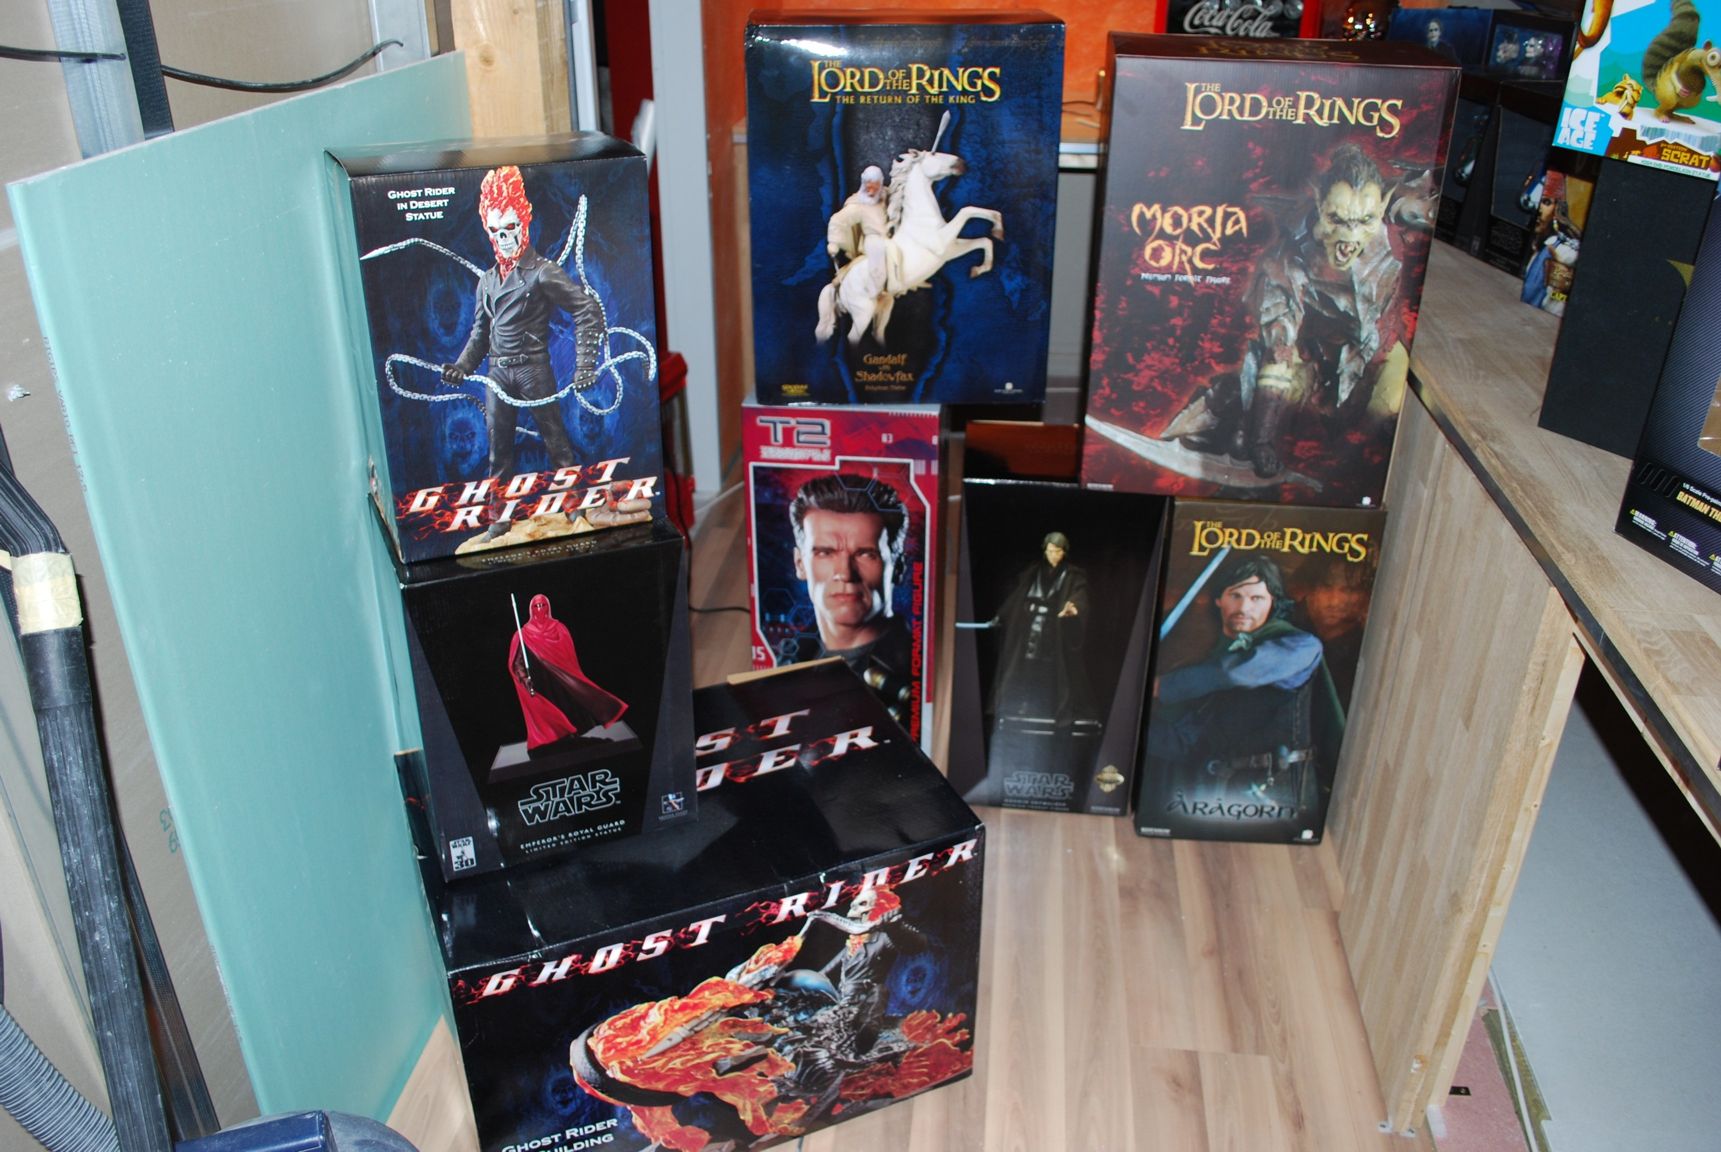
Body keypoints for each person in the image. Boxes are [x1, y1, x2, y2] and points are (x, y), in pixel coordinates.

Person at [1166, 144, 1412, 479]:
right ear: (1320, 203)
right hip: (1306, 342)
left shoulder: (1390, 250)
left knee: (1388, 388)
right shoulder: (1294, 250)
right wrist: (1261, 440)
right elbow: (1280, 325)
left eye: (1365, 220)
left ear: (1381, 206)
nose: (1350, 237)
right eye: (1337, 219)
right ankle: (1228, 420)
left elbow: (1381, 329)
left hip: (1359, 350)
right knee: (1273, 361)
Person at [441, 166, 606, 525]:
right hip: (497, 373)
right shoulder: (487, 281)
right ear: (487, 231)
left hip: (533, 369)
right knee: (498, 454)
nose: (504, 238)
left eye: (511, 228)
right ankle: (499, 521)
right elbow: (480, 334)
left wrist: (584, 365)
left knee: (557, 445)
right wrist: (461, 367)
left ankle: (575, 511)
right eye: (496, 231)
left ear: (524, 222)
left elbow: (585, 308)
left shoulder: (542, 271)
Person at [1147, 555, 1341, 809]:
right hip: (1217, 792)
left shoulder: (1300, 646)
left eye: (1256, 598)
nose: (1244, 607)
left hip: (1279, 795)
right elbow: (1187, 740)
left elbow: (1233, 672)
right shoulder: (1214, 657)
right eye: (1235, 595)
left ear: (1273, 602)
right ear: (1219, 599)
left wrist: (1160, 686)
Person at [784, 474, 914, 723]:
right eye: (825, 553)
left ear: (897, 567)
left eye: (866, 554)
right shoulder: (791, 654)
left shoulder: (908, 674)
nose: (845, 573)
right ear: (800, 564)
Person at [987, 531, 1096, 726]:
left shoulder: (1073, 575)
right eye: (1050, 551)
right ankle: (1023, 703)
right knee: (1026, 666)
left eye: (1058, 551)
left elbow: (1079, 596)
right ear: (1045, 551)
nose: (1054, 555)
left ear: (1064, 552)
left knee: (1053, 669)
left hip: (1055, 630)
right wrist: (1001, 615)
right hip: (1032, 628)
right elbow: (1017, 597)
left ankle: (1053, 706)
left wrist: (1073, 608)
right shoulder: (1033, 572)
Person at [509, 593, 626, 751]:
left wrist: (565, 671)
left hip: (562, 679)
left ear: (548, 607)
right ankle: (557, 736)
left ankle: (572, 733)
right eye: (536, 606)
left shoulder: (559, 628)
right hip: (540, 682)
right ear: (531, 609)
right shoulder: (523, 634)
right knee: (549, 712)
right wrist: (525, 679)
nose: (540, 609)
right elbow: (517, 663)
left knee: (569, 705)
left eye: (543, 605)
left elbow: (569, 656)